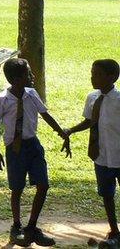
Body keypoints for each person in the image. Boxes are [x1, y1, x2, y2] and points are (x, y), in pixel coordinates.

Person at [0, 58, 69, 247]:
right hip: (14, 149)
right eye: (28, 73)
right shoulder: (3, 99)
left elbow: (45, 115)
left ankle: (32, 227)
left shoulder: (32, 94)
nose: (32, 76)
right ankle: (16, 226)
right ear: (17, 79)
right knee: (17, 189)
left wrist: (63, 134)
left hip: (33, 145)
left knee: (43, 185)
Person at [63, 59, 120, 248]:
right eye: (92, 73)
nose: (92, 77)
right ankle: (114, 230)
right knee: (106, 194)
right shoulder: (92, 97)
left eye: (98, 74)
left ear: (112, 77)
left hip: (119, 155)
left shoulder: (119, 100)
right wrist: (70, 130)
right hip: (101, 155)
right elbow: (89, 121)